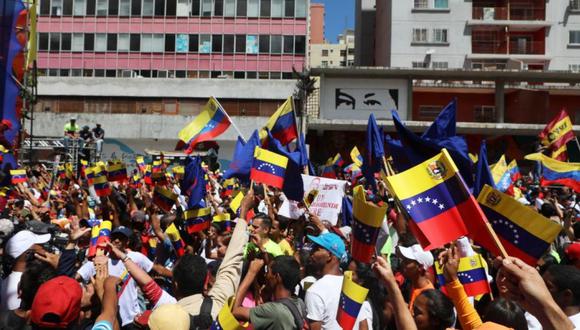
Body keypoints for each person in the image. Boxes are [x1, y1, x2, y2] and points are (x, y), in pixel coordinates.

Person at [174, 191, 252, 320]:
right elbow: (232, 263)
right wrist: (243, 212)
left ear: (175, 286)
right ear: (206, 283)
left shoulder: (164, 318)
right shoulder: (217, 306)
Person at [75, 226, 170, 328]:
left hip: (131, 318)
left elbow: (157, 269)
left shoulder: (136, 257)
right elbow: (75, 278)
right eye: (114, 237)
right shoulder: (99, 261)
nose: (116, 240)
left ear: (127, 242)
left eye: (121, 238)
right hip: (109, 317)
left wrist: (178, 275)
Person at [232, 256, 306, 330]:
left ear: (277, 277)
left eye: (267, 271)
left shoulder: (273, 311)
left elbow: (234, 311)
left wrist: (252, 272)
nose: (265, 275)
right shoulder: (299, 303)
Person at [304, 232, 346, 330]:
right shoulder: (351, 284)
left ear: (329, 255)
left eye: (316, 249)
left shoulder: (315, 291)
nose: (311, 252)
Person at [0, 230, 51, 311]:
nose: (46, 251)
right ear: (28, 254)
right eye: (42, 246)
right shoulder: (18, 288)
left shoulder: (10, 280)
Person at [396, 244, 435, 311]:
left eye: (407, 261)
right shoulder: (414, 285)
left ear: (420, 267)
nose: (402, 263)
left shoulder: (426, 296)